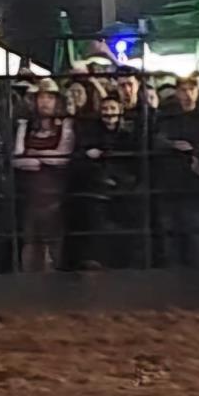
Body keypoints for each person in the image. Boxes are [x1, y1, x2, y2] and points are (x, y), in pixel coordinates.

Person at [71, 94, 143, 269]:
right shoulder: (91, 133)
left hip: (123, 191)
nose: (108, 113)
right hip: (97, 189)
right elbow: (79, 157)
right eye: (105, 109)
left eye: (112, 109)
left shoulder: (129, 134)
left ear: (120, 111)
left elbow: (136, 161)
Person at [152, 77, 199, 267]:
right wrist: (174, 145)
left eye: (191, 89)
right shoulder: (167, 117)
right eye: (183, 90)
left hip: (195, 187)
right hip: (170, 184)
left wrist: (195, 152)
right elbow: (156, 141)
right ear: (177, 92)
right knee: (171, 238)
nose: (188, 94)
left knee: (196, 237)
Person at [13, 79, 75, 272]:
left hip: (55, 197)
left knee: (53, 246)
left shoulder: (65, 125)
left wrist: (36, 155)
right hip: (30, 196)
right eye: (41, 97)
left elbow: (63, 156)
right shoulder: (28, 126)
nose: (45, 102)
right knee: (30, 243)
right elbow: (17, 157)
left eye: (50, 97)